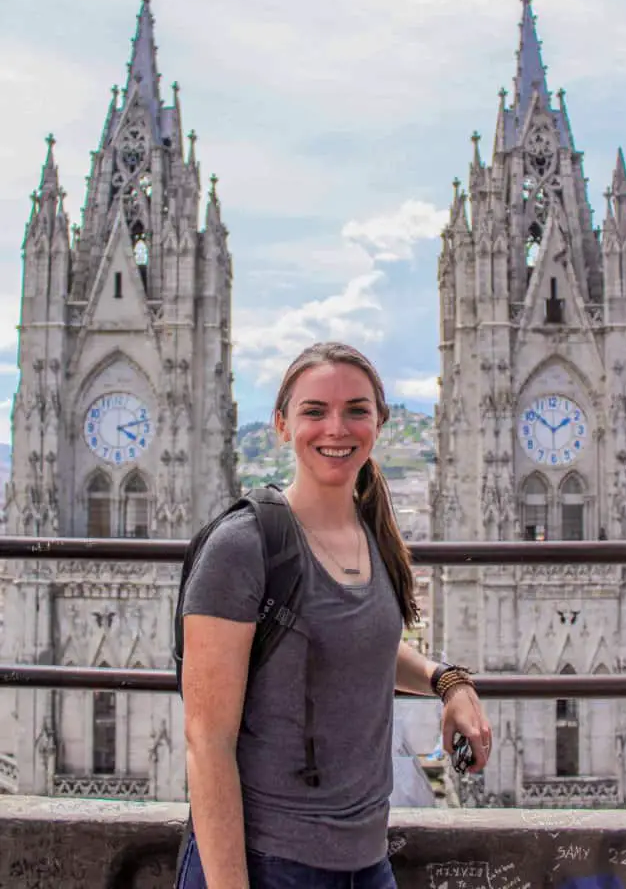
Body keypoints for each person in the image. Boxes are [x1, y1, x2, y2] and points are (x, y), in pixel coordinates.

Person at [177, 342, 492, 889]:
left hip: (366, 863)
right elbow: (207, 743)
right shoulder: (243, 546)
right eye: (314, 411)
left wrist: (448, 681)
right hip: (271, 864)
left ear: (379, 423)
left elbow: (356, 642)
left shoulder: (370, 534)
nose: (336, 428)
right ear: (281, 425)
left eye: (356, 410)